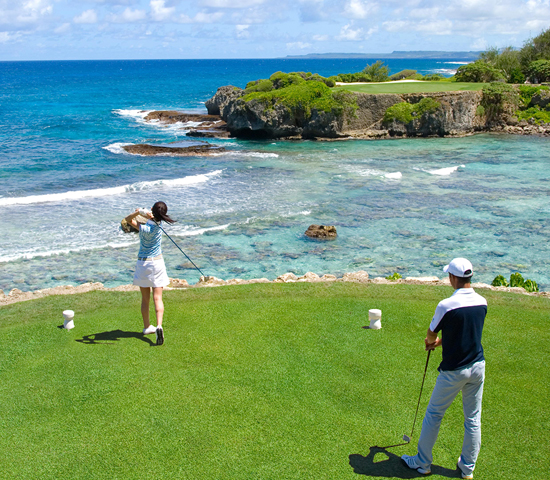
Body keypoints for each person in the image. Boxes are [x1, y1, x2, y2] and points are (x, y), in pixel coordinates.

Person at [401, 258, 487, 480]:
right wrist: (441, 342)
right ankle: (467, 468)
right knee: (473, 418)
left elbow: (431, 333)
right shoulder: (482, 302)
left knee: (434, 414)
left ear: (452, 278)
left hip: (453, 371)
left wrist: (432, 341)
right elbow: (464, 334)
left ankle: (422, 463)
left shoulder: (445, 305)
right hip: (477, 367)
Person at [126, 201, 175, 346]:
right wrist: (147, 213)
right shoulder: (159, 225)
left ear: (152, 211)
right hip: (157, 263)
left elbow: (128, 220)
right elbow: (155, 215)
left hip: (143, 263)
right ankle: (159, 325)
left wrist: (139, 211)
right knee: (158, 298)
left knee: (145, 299)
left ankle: (147, 327)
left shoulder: (144, 228)